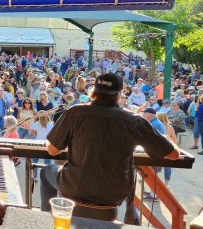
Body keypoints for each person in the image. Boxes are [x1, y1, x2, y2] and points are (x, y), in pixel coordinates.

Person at [40, 73, 179, 213]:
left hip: (75, 187)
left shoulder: (75, 112)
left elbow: (53, 150)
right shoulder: (134, 120)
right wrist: (167, 137)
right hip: (114, 193)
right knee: (132, 175)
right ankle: (131, 220)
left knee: (46, 172)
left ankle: (47, 218)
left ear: (93, 91)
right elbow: (173, 155)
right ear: (119, 94)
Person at [157, 113, 176, 187]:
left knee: (156, 166)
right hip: (169, 149)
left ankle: (155, 183)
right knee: (167, 166)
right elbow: (174, 140)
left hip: (159, 150)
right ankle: (166, 184)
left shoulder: (156, 126)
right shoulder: (170, 127)